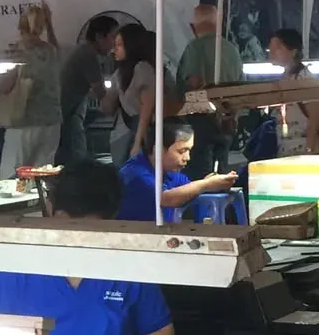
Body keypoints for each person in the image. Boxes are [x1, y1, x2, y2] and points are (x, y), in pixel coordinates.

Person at [0, 163, 176, 335]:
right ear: (50, 210)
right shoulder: (22, 266)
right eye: (67, 224)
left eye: (88, 227)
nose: (75, 236)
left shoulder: (125, 266)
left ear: (111, 219)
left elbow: (160, 332)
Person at [0, 3, 64, 173]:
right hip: (52, 122)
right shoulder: (51, 51)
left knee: (12, 175)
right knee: (42, 176)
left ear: (20, 28)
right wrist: (50, 24)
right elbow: (55, 46)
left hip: (23, 123)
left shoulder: (17, 52)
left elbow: (5, 87)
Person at [117, 120, 239, 222]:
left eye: (189, 151)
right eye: (182, 151)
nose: (187, 158)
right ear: (158, 149)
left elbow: (187, 190)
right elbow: (166, 198)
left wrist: (213, 183)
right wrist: (206, 184)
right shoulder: (135, 173)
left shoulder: (170, 172)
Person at [175, 4, 243, 179]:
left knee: (201, 178)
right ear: (219, 23)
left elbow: (194, 82)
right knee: (223, 177)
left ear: (192, 26)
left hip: (201, 120)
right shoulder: (232, 50)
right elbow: (240, 89)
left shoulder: (194, 48)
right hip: (228, 120)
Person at [56, 15, 120, 166]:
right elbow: (101, 94)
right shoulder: (88, 55)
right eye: (113, 37)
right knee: (76, 158)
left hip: (68, 112)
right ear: (99, 37)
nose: (115, 44)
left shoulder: (83, 51)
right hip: (67, 114)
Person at [105, 23, 160, 166]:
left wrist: (137, 143)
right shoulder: (120, 73)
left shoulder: (143, 69)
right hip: (127, 132)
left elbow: (145, 112)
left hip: (141, 133)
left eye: (119, 45)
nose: (114, 50)